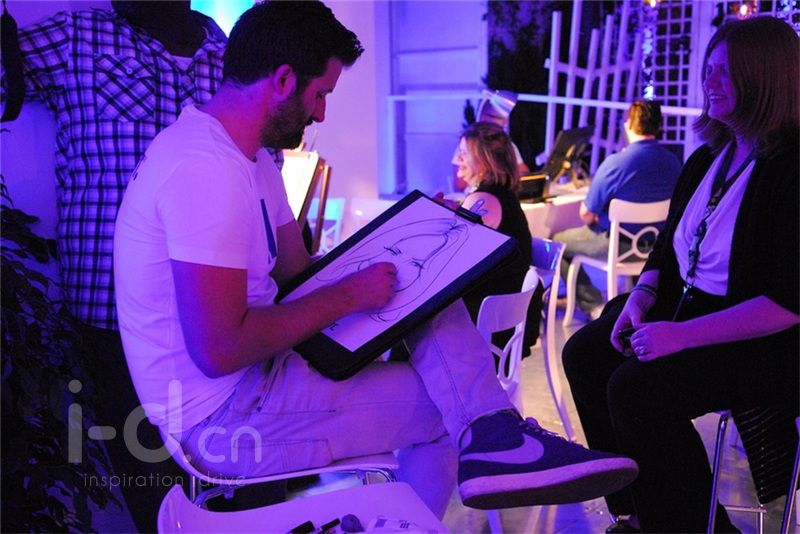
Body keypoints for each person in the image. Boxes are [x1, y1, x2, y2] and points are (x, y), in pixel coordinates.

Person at [114, 0, 638, 519]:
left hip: (258, 381)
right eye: (320, 94)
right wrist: (351, 293)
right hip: (225, 419)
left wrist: (408, 241)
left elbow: (299, 272)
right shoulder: (203, 168)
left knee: (426, 301)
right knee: (455, 411)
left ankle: (495, 436)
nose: (321, 113)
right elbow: (220, 348)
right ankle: (492, 441)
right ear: (283, 80)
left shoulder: (250, 159)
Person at [562, 16, 799, 533]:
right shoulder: (706, 159)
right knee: (585, 354)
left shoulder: (791, 170)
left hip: (758, 340)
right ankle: (636, 513)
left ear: (765, 77)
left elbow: (789, 302)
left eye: (724, 71)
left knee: (636, 390)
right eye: (708, 69)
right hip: (684, 309)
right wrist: (641, 298)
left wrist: (681, 336)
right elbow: (667, 253)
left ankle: (695, 526)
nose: (708, 82)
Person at [5, 2, 226, 531]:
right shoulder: (77, 36)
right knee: (156, 495)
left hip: (218, 320)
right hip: (113, 323)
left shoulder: (228, 55)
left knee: (231, 482)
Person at [553, 100, 681, 320]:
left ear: (629, 124)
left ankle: (594, 305)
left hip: (620, 246)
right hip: (658, 248)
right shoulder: (673, 162)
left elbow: (586, 215)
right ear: (658, 125)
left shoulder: (615, 163)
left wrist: (599, 216)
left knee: (557, 243)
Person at [458, 121, 542, 355]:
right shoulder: (503, 195)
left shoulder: (482, 200)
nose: (459, 159)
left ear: (484, 161)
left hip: (492, 322)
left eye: (464, 153)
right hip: (509, 313)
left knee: (415, 321)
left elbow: (456, 262)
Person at [452, 90, 530, 192]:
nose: (503, 123)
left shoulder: (505, 144)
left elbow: (524, 173)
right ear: (484, 117)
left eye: (503, 119)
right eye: (497, 118)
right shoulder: (468, 144)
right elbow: (459, 185)